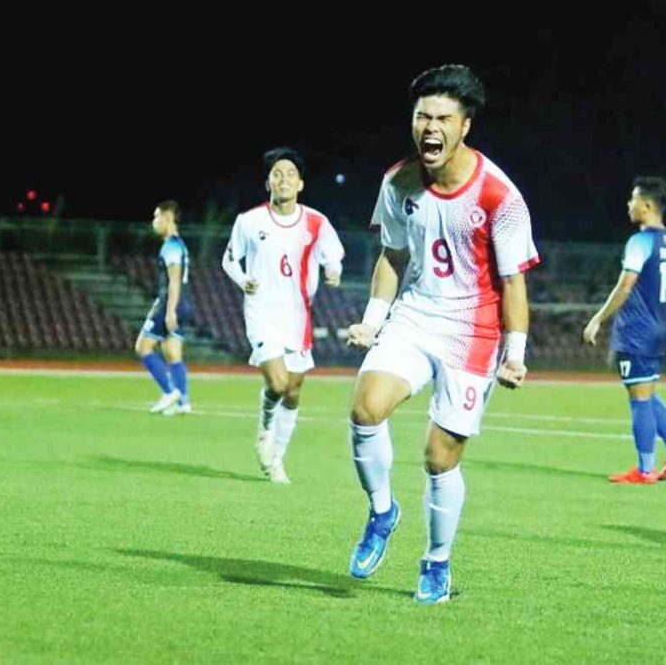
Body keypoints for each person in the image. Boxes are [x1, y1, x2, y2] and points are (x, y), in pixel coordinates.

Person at [345, 64, 539, 604]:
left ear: (465, 126)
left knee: (438, 458)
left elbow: (512, 280)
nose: (430, 126)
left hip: (473, 332)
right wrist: (373, 318)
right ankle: (382, 512)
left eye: (442, 118)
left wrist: (516, 351)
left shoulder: (499, 197)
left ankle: (436, 563)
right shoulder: (398, 182)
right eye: (421, 116)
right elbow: (393, 254)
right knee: (365, 409)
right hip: (414, 315)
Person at [222, 147, 345, 484]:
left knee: (292, 390)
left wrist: (333, 269)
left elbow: (332, 255)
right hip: (262, 313)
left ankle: (277, 458)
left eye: (290, 173)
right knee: (276, 382)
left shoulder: (316, 222)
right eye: (277, 174)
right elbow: (229, 260)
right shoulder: (249, 222)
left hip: (298, 316)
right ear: (268, 184)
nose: (284, 179)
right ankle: (264, 432)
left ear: (300, 183)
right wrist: (243, 279)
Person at [583, 177, 666, 484]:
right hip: (660, 326)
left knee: (639, 399)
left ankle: (645, 470)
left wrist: (598, 319)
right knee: (648, 392)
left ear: (646, 205)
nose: (629, 205)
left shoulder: (640, 241)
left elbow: (626, 284)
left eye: (632, 200)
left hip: (638, 330)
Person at [135, 200, 192, 416]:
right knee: (172, 353)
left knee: (143, 347)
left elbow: (174, 281)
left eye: (156, 217)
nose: (154, 222)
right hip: (184, 302)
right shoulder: (180, 244)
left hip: (173, 303)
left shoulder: (171, 246)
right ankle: (183, 402)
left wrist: (169, 311)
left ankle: (169, 392)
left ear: (168, 218)